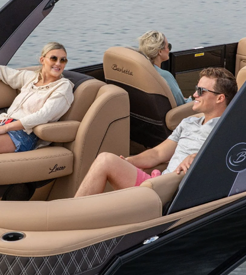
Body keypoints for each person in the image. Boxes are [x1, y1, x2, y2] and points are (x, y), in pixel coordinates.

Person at [75, 67, 237, 197]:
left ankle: (74, 215)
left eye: (201, 91)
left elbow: (228, 162)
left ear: (219, 98)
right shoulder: (189, 122)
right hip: (158, 183)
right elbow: (157, 154)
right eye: (196, 89)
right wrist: (130, 161)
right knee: (107, 160)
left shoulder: (227, 130)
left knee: (105, 160)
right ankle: (76, 214)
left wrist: (201, 157)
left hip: (174, 191)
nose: (194, 94)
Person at [0, 42, 74, 155]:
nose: (58, 63)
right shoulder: (32, 78)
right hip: (2, 124)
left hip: (23, 136)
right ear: (42, 60)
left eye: (63, 60)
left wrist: (6, 128)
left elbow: (43, 115)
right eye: (54, 58)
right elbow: (0, 72)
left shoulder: (63, 86)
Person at [139, 30, 192, 106]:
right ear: (160, 51)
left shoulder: (141, 70)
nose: (169, 50)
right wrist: (190, 100)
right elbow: (181, 104)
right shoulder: (165, 76)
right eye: (168, 46)